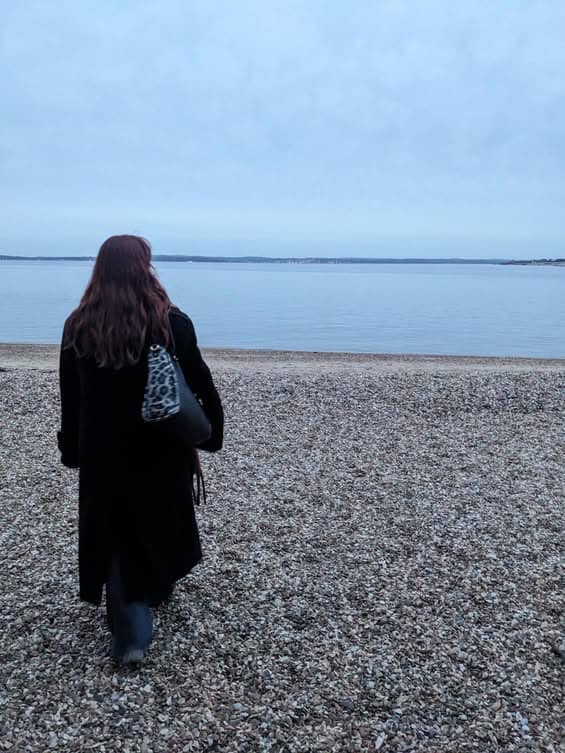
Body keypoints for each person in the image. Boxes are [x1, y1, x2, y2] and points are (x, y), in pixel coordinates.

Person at [57, 235, 223, 664]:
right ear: (144, 268)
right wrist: (211, 433)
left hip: (103, 452)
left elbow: (71, 398)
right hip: (160, 450)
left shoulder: (79, 325)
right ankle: (133, 628)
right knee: (158, 518)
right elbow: (199, 384)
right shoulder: (170, 323)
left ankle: (137, 603)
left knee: (114, 527)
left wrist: (72, 450)